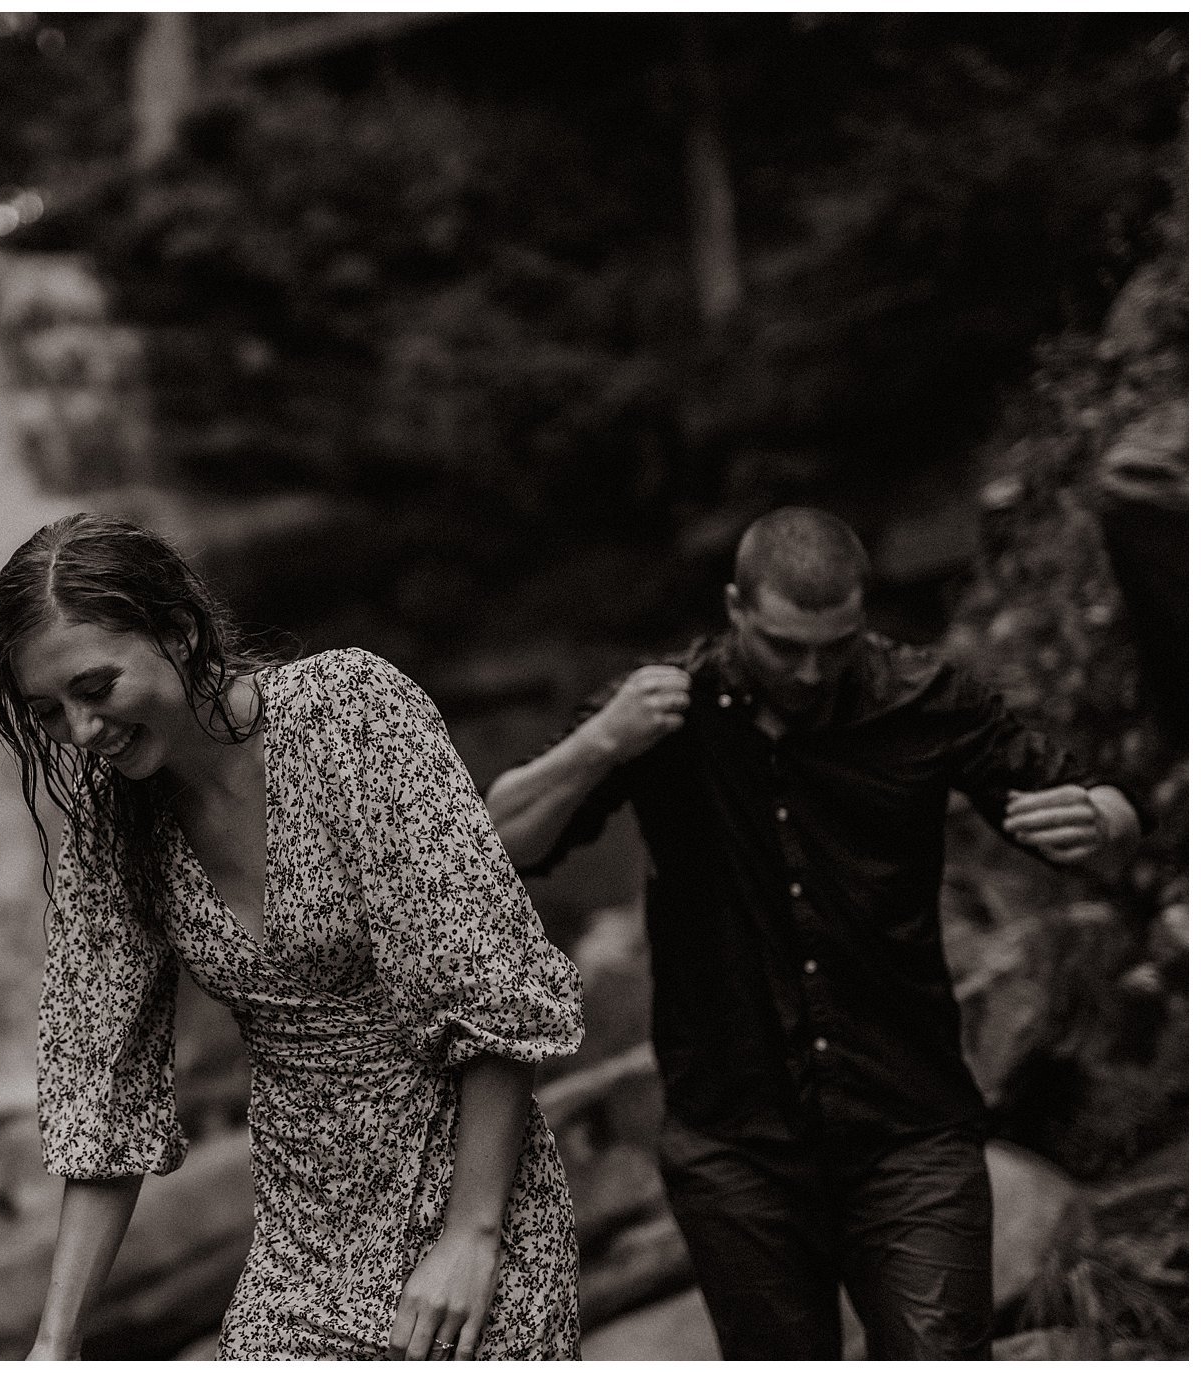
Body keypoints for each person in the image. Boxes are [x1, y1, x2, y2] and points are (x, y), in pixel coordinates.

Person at [486, 506, 1141, 1360]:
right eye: (785, 645)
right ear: (735, 608)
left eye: (835, 645)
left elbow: (1113, 803)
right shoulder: (662, 711)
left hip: (910, 1128)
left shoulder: (927, 699)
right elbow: (495, 840)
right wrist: (601, 744)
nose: (810, 670)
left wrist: (1100, 819)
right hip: (735, 1144)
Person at [0, 513, 584, 1361]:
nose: (80, 732)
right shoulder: (113, 833)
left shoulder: (349, 712)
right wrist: (55, 1341)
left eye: (96, 687)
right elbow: (100, 1086)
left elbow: (486, 978)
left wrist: (471, 1237)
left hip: (471, 1199)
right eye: (48, 711)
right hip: (300, 1241)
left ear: (181, 634)